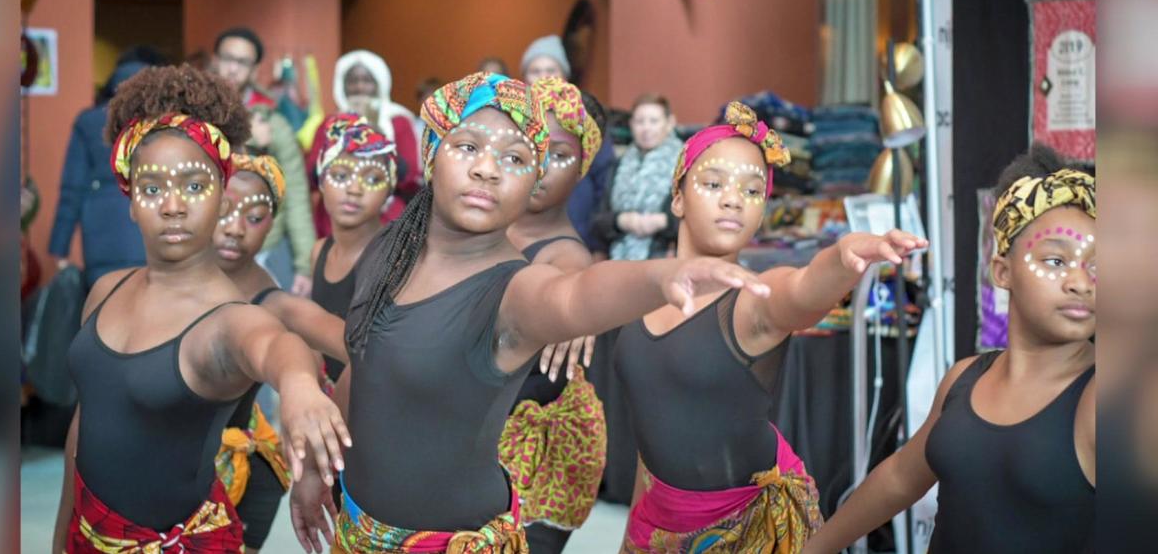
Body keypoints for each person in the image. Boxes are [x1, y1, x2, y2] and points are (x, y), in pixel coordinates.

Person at [286, 72, 771, 554]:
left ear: (533, 180)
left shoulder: (513, 290)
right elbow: (366, 367)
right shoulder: (389, 251)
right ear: (432, 152)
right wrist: (316, 471)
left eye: (514, 158)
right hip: (355, 528)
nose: (488, 169)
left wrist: (658, 277)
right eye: (469, 147)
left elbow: (575, 295)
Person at [52, 64, 351, 554]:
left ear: (220, 192)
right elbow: (84, 425)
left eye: (194, 186)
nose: (173, 206)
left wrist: (299, 387)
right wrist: (61, 536)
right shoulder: (105, 290)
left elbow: (277, 345)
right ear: (130, 199)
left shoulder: (230, 318)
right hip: (86, 535)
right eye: (152, 188)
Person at [614, 102, 927, 553]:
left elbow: (799, 292)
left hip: (747, 532)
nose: (733, 199)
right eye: (714, 183)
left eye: (753, 190)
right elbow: (654, 431)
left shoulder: (750, 300)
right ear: (678, 196)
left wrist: (842, 258)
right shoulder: (645, 290)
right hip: (658, 521)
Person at [805, 146, 1095, 554]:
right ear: (1002, 271)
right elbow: (899, 479)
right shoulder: (965, 378)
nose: (1081, 282)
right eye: (1056, 261)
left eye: (1098, 267)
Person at [499, 77, 607, 553]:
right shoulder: (487, 230)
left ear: (581, 169)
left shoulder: (566, 256)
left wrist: (574, 305)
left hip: (537, 460)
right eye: (530, 148)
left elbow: (570, 282)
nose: (540, 167)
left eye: (559, 155)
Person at [211, 152, 294, 553]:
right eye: (223, 210)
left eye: (254, 217)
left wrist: (303, 390)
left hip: (244, 469)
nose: (234, 229)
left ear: (271, 226)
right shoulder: (158, 287)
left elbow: (299, 346)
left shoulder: (269, 298)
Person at [212, 26, 316, 295]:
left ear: (255, 69)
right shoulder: (194, 115)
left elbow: (295, 195)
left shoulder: (273, 123)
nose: (233, 69)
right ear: (215, 60)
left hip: (264, 244)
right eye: (227, 59)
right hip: (206, 244)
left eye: (242, 62)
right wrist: (246, 139)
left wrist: (305, 265)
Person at [49, 46, 166, 284]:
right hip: (151, 230)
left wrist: (59, 248)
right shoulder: (164, 121)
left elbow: (72, 188)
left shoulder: (88, 120)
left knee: (104, 310)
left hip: (100, 234)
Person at [309, 116, 397, 385]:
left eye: (372, 178)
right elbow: (314, 339)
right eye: (341, 175)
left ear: (389, 191)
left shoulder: (392, 255)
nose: (354, 189)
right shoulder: (320, 250)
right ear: (323, 182)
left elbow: (383, 357)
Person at [519, 34, 615, 251]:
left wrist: (599, 243)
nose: (544, 77)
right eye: (536, 71)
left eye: (551, 70)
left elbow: (605, 185)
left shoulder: (585, 122)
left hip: (581, 234)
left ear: (565, 76)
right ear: (524, 78)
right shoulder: (512, 120)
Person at [592, 94, 682, 261]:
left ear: (670, 123)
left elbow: (695, 221)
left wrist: (665, 222)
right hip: (618, 261)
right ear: (631, 124)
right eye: (640, 121)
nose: (646, 128)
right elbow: (598, 220)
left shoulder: (684, 164)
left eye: (654, 121)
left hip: (665, 262)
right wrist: (620, 221)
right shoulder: (619, 165)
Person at [327, 49, 422, 201]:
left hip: (389, 214)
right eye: (352, 81)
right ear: (342, 86)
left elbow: (410, 178)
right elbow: (314, 176)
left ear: (379, 84)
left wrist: (374, 135)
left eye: (367, 81)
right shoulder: (331, 123)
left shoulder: (398, 120)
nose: (360, 87)